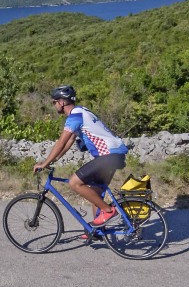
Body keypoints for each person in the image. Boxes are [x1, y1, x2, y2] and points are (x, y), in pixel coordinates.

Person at [33, 85, 129, 226]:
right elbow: (69, 142)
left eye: (54, 102)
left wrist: (45, 163)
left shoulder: (75, 116)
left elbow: (61, 142)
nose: (54, 105)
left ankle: (108, 211)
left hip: (107, 156)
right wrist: (56, 159)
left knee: (74, 182)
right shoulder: (82, 111)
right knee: (95, 192)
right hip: (113, 155)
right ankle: (97, 230)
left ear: (62, 102)